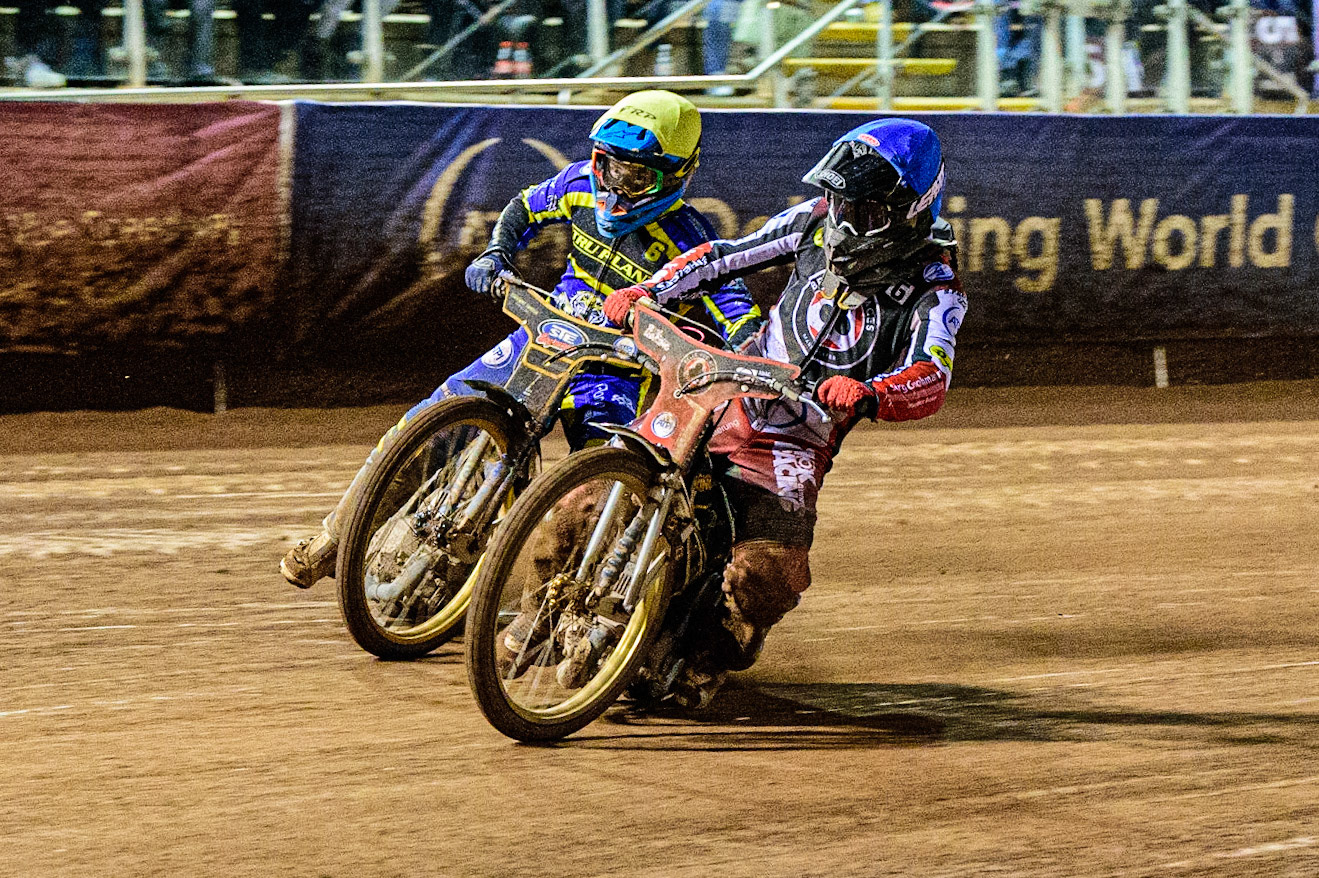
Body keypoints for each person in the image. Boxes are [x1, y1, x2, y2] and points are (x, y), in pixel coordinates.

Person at [280, 89, 762, 589]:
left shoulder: (694, 240)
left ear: (678, 173)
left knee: (602, 488)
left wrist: (748, 354)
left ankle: (576, 609)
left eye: (637, 175)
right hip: (548, 335)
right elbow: (525, 207)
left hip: (620, 370)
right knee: (428, 419)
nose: (615, 185)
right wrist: (496, 253)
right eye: (607, 166)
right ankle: (338, 536)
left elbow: (734, 303)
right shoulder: (578, 181)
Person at [602, 117, 968, 706]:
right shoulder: (813, 222)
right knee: (593, 489)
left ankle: (705, 658)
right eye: (838, 199)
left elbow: (932, 375)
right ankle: (529, 619)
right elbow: (723, 257)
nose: (844, 218)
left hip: (797, 436)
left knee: (770, 573)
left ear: (909, 209)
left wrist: (872, 393)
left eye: (864, 210)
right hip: (725, 391)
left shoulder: (935, 288)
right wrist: (651, 293)